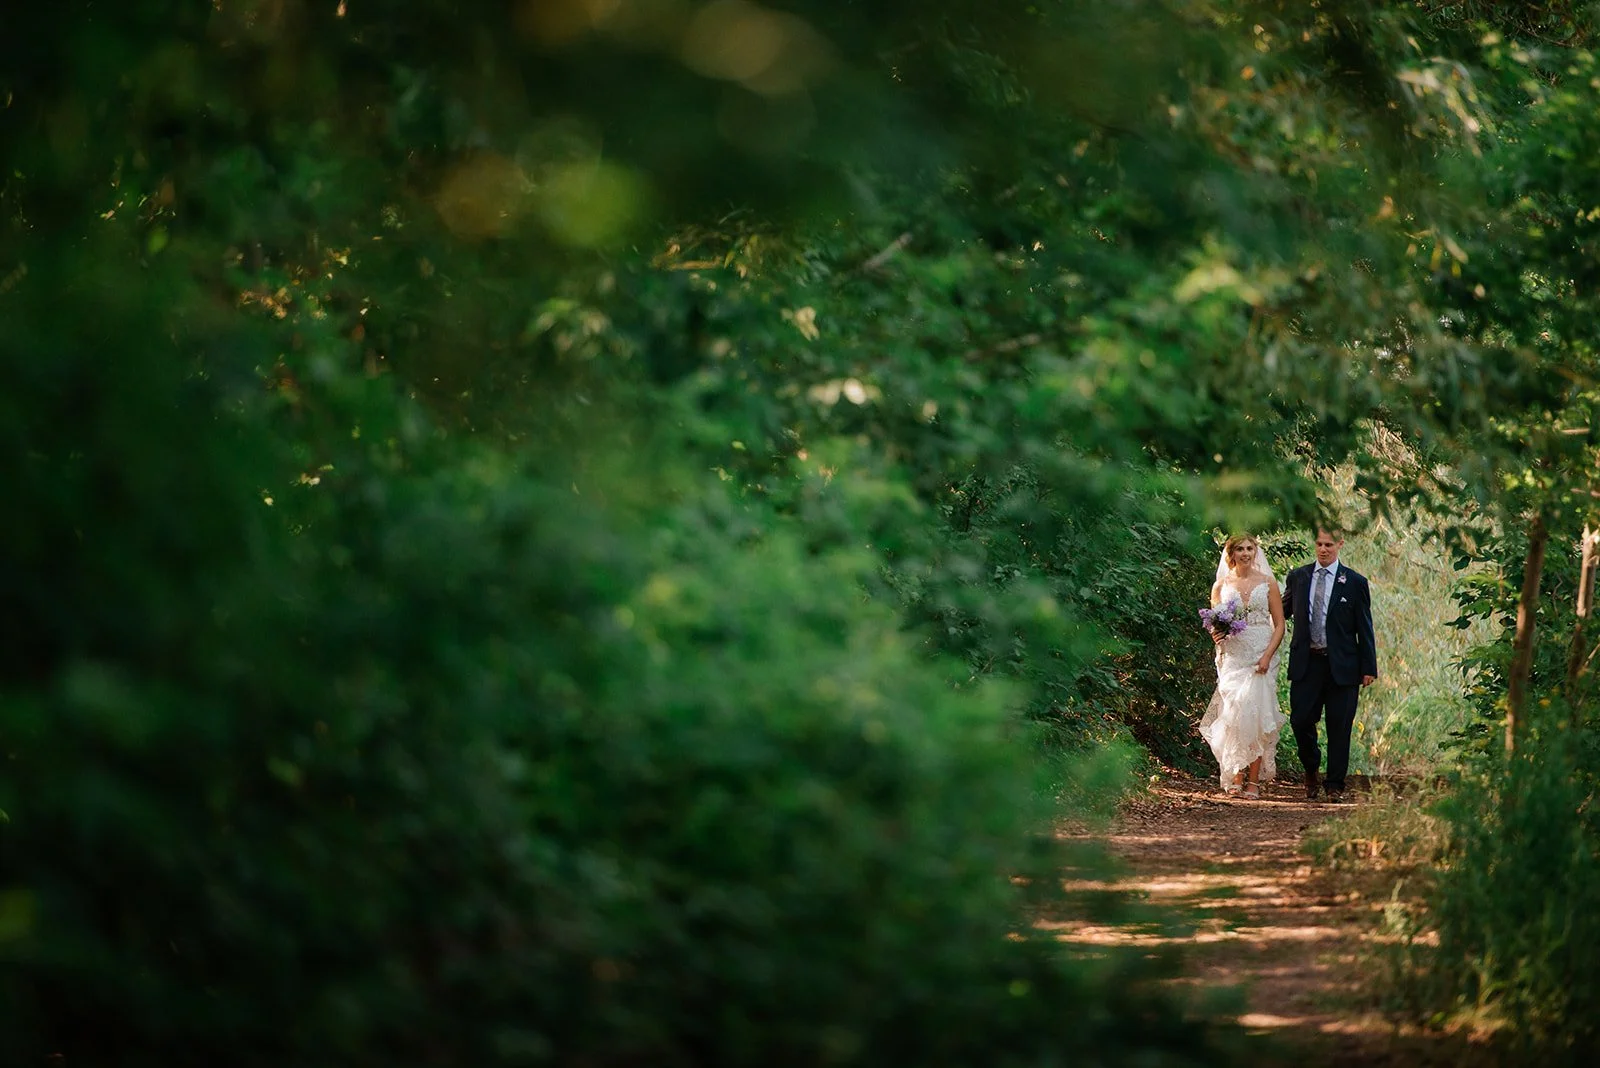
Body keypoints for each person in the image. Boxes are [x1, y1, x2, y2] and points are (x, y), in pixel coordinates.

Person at [1282, 528, 1378, 802]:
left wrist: (1368, 667)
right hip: (1307, 663)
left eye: (1328, 545)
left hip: (1344, 666)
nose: (1323, 549)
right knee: (1300, 720)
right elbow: (1281, 612)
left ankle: (1335, 784)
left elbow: (1365, 627)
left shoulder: (1355, 582)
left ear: (1339, 545)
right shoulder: (1299, 577)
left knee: (1340, 726)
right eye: (1319, 544)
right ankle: (1311, 769)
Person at [1199, 534, 1287, 799]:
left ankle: (1254, 781)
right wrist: (1215, 634)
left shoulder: (1268, 583)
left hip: (1260, 652)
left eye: (1250, 548)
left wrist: (1267, 657)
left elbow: (1280, 624)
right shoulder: (1221, 586)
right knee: (1235, 713)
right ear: (1232, 553)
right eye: (1240, 549)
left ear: (1255, 552)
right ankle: (1235, 775)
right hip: (1234, 656)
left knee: (1258, 714)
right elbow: (1215, 623)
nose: (1246, 553)